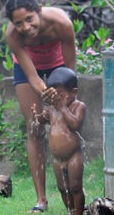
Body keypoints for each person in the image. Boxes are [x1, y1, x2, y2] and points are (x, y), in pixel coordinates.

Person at [5, 0, 76, 213]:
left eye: (29, 19)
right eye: (18, 23)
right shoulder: (12, 36)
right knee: (34, 126)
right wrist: (45, 93)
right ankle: (41, 200)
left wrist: (63, 96)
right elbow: (33, 76)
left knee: (63, 123)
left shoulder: (62, 23)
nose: (25, 27)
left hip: (59, 65)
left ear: (39, 11)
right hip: (28, 69)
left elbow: (70, 72)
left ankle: (72, 192)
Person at [31, 67, 86, 215]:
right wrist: (37, 117)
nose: (57, 99)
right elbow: (43, 119)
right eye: (54, 95)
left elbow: (75, 124)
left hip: (73, 156)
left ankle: (78, 213)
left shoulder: (78, 106)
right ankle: (70, 211)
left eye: (60, 96)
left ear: (73, 92)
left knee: (75, 187)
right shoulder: (51, 108)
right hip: (57, 159)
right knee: (62, 188)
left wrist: (62, 107)